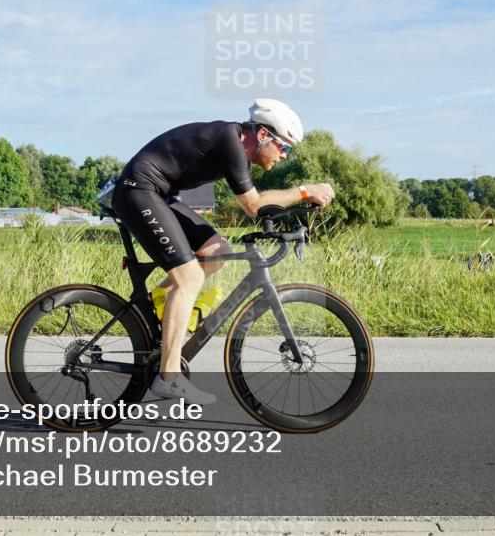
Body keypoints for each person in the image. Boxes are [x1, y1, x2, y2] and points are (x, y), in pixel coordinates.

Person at [110, 99, 336, 405]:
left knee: (216, 251)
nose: (284, 156)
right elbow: (254, 205)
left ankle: (153, 312)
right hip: (139, 189)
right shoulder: (230, 142)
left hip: (159, 193)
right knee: (189, 278)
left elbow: (259, 207)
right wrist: (305, 192)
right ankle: (169, 377)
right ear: (263, 136)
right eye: (284, 147)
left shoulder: (236, 144)